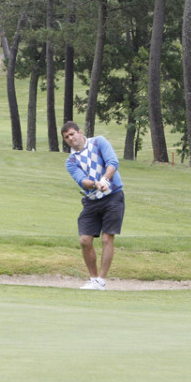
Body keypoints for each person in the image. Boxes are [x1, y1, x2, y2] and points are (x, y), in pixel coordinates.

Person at [61, 121, 125, 290]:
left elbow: (112, 162)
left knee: (106, 238)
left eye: (72, 134)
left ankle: (101, 281)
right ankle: (93, 278)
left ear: (80, 132)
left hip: (113, 196)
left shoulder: (98, 142)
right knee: (84, 240)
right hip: (92, 199)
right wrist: (96, 184)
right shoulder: (71, 161)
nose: (70, 138)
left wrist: (105, 179)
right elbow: (82, 180)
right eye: (66, 137)